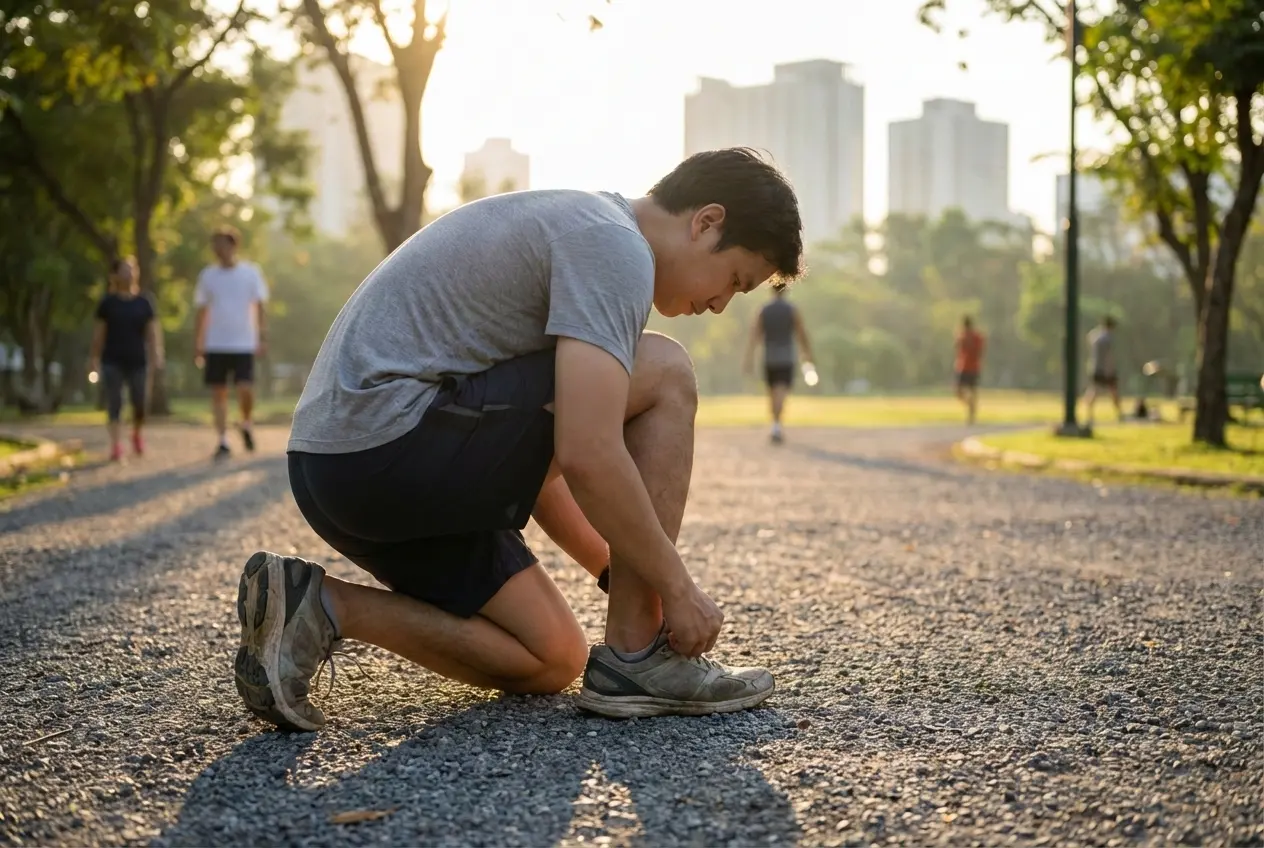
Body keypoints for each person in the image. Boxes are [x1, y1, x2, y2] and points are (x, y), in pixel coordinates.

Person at [232, 148, 804, 731]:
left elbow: (537, 452)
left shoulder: (583, 231)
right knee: (664, 369)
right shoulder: (615, 246)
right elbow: (586, 452)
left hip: (340, 469)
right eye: (734, 280)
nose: (718, 305)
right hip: (391, 443)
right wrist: (675, 590)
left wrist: (618, 568)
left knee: (551, 657)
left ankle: (318, 604)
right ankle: (639, 658)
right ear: (706, 222)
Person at [193, 225, 269, 461]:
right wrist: (199, 342)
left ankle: (246, 422)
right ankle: (223, 440)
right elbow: (202, 311)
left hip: (243, 343)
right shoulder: (208, 275)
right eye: (215, 245)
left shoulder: (250, 273)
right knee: (219, 392)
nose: (218, 249)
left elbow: (260, 306)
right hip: (216, 343)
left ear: (234, 246)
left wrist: (262, 336)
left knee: (245, 388)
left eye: (223, 244)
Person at [88, 256, 163, 461]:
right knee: (115, 401)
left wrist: (156, 353)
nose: (129, 273)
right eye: (124, 269)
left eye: (132, 269)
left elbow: (152, 331)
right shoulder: (107, 303)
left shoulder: (144, 302)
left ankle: (137, 433)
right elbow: (99, 334)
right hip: (112, 360)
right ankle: (115, 445)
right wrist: (93, 359)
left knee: (140, 402)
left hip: (138, 360)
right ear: (114, 275)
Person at [742, 287, 814, 443]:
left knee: (772, 391)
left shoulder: (763, 310)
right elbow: (801, 333)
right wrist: (808, 355)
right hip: (786, 357)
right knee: (781, 390)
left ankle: (775, 424)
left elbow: (754, 335)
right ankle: (777, 424)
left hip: (769, 357)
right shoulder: (792, 310)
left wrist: (749, 359)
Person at [1084, 315, 1122, 425]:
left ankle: (1089, 415)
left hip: (1095, 366)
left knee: (1094, 390)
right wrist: (1111, 368)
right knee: (1113, 391)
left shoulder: (1095, 335)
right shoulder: (1107, 338)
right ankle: (1119, 413)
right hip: (1105, 368)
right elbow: (1108, 355)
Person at [953, 316, 985, 425]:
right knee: (958, 391)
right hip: (963, 366)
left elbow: (979, 351)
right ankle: (971, 405)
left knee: (972, 390)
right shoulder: (961, 336)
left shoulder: (976, 337)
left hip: (973, 367)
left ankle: (971, 414)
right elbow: (957, 348)